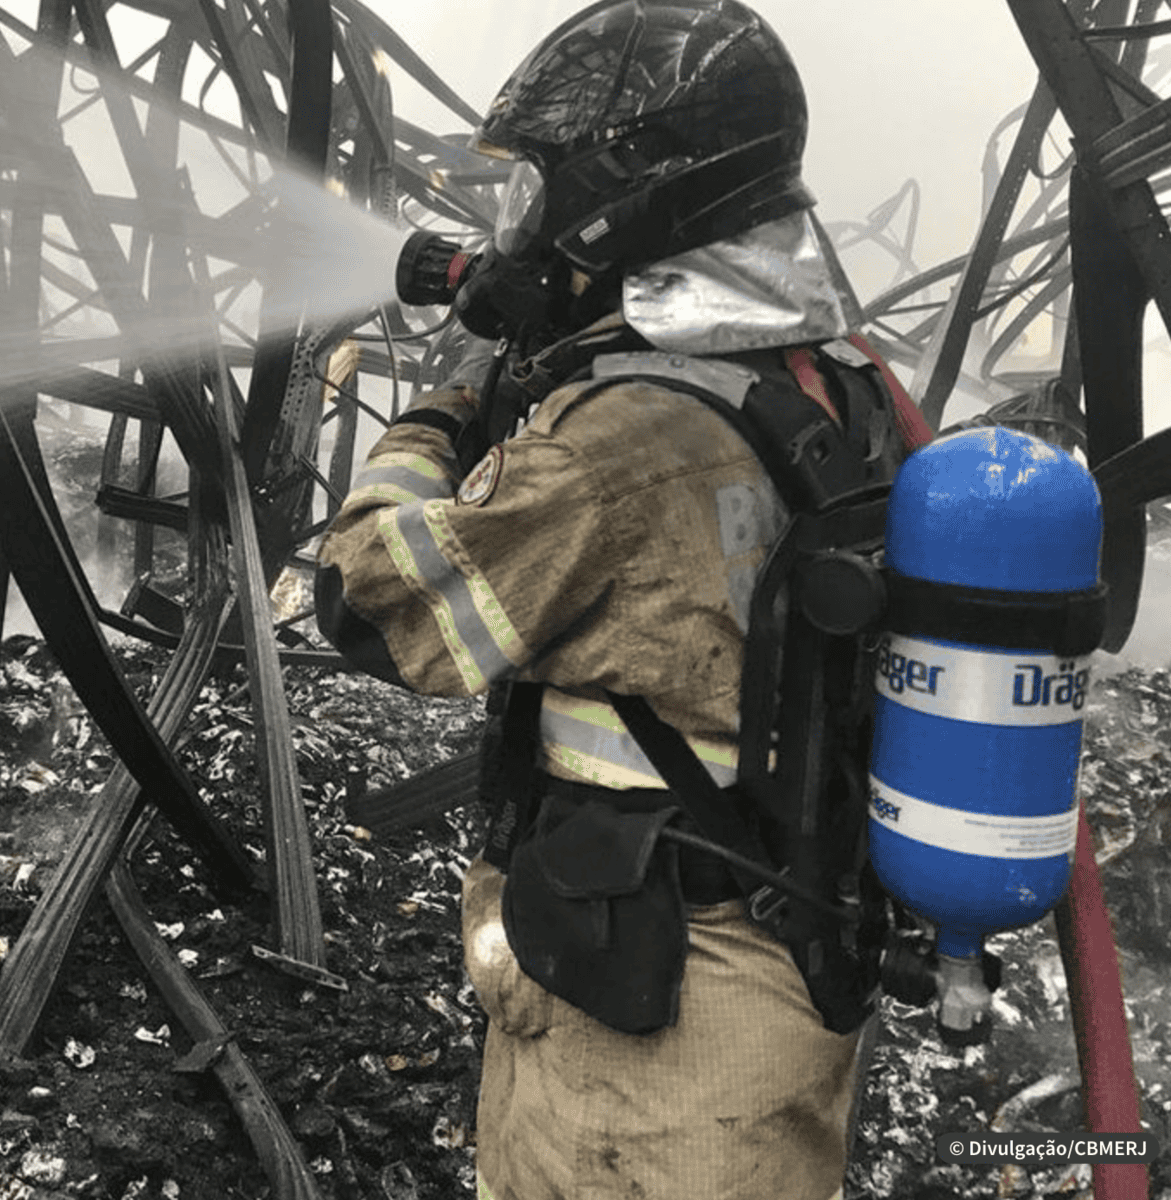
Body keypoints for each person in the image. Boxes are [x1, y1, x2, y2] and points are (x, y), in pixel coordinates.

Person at [315, 3, 931, 1197]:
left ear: (625, 196)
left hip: (650, 1028)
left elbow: (374, 605)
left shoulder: (626, 437)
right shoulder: (837, 382)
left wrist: (437, 410)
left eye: (537, 189)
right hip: (782, 952)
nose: (515, 229)